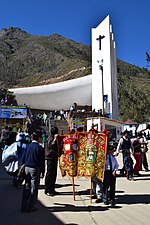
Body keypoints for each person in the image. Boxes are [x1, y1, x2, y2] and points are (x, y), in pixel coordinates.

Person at [21, 130, 45, 213]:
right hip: (35, 169)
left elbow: (23, 157)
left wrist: (22, 166)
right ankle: (31, 206)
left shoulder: (28, 146)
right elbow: (42, 162)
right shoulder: (40, 148)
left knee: (26, 187)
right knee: (34, 188)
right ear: (38, 138)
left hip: (27, 168)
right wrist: (43, 171)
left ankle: (23, 206)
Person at [45, 126, 59, 196]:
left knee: (54, 174)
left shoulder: (53, 138)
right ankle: (47, 189)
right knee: (49, 174)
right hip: (50, 158)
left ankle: (52, 188)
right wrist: (55, 139)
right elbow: (51, 145)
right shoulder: (50, 138)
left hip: (54, 158)